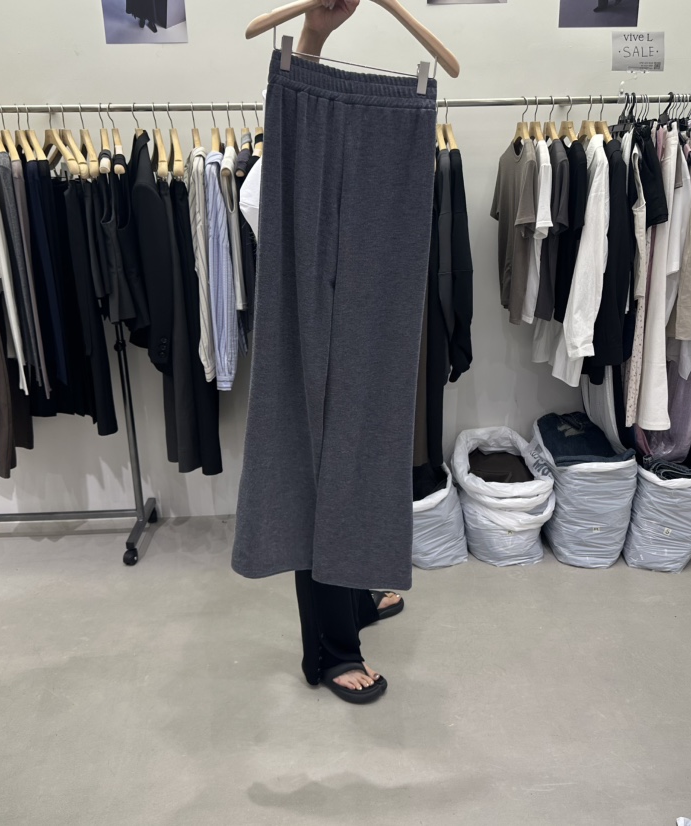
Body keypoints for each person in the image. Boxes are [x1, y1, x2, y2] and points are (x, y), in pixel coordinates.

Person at [288, 0, 406, 705]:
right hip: (306, 328)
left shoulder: (347, 162)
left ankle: (355, 597)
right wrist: (312, 35)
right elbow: (300, 104)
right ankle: (331, 651)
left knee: (360, 463)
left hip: (350, 315)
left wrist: (318, 34)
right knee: (319, 486)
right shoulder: (287, 162)